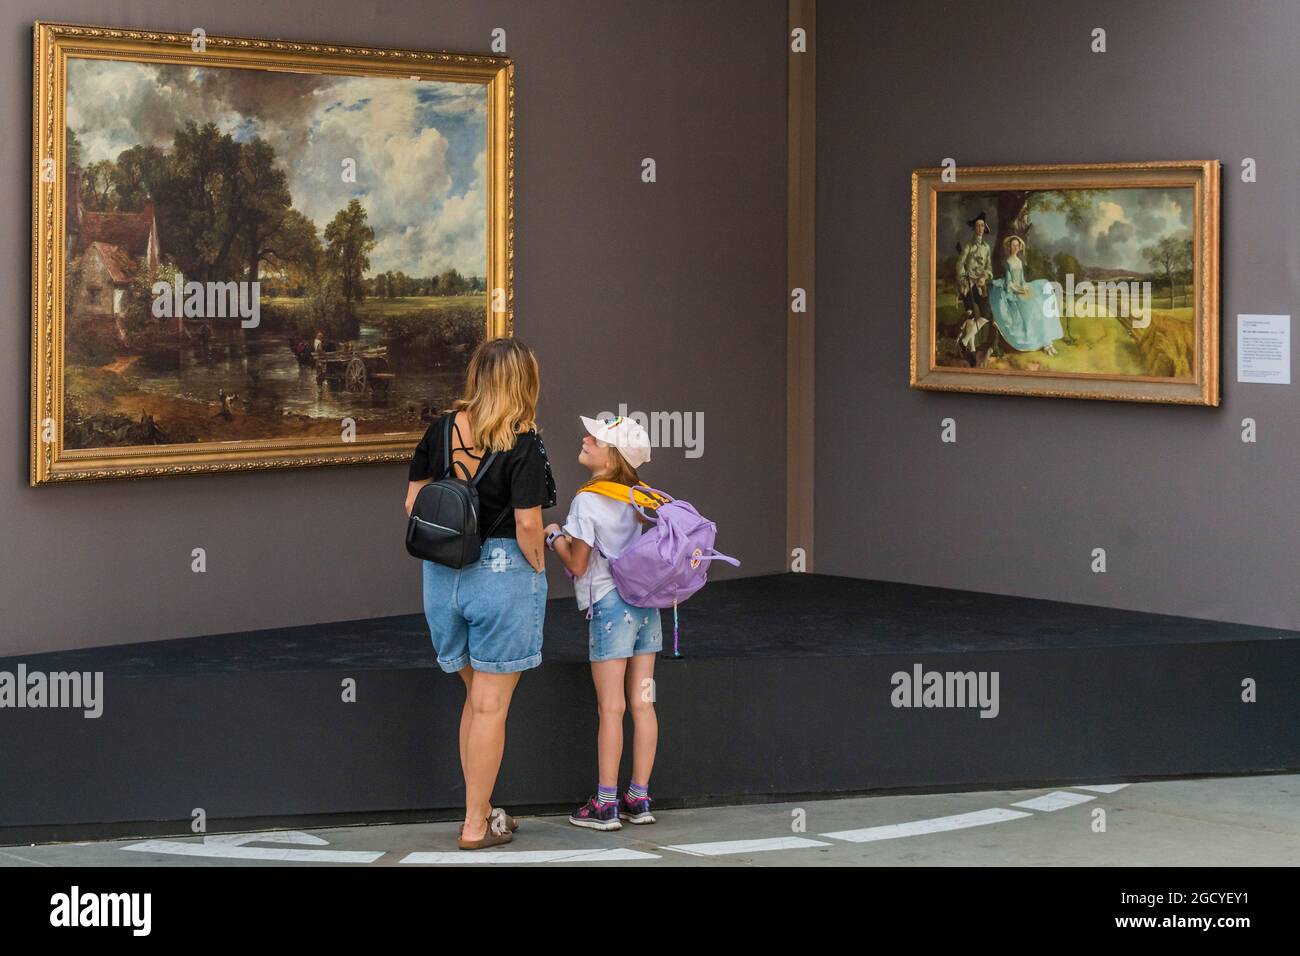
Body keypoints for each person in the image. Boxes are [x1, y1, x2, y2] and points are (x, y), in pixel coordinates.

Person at [405, 337, 556, 850]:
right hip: (502, 570)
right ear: (523, 382)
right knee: (492, 706)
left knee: (475, 697)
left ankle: (484, 811)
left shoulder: (442, 429)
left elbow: (412, 503)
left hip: (442, 578)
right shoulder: (525, 441)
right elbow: (529, 522)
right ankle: (475, 826)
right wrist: (534, 567)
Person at [544, 415, 661, 830]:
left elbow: (577, 564)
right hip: (648, 609)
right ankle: (639, 797)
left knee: (610, 708)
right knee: (642, 704)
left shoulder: (587, 501)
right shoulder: (643, 498)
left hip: (611, 610)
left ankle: (605, 804)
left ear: (612, 455)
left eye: (596, 438)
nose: (585, 439)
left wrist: (553, 535)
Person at [988, 235, 1065, 356]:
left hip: (1022, 290)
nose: (1015, 247)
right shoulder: (1008, 262)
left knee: (1041, 307)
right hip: (1014, 293)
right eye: (1013, 245)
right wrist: (1020, 291)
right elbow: (1009, 283)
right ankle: (1044, 343)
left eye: (1017, 245)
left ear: (1019, 247)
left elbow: (1022, 280)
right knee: (1033, 311)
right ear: (1009, 247)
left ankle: (1048, 344)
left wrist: (1025, 287)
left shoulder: (1019, 261)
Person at [955, 211, 1000, 361]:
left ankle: (964, 340)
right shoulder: (968, 246)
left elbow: (989, 268)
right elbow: (960, 263)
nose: (980, 228)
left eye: (982, 225)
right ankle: (972, 350)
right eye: (977, 226)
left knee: (986, 315)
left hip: (980, 284)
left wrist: (984, 277)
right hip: (968, 283)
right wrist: (962, 278)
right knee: (971, 314)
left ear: (984, 228)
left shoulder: (987, 248)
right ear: (974, 229)